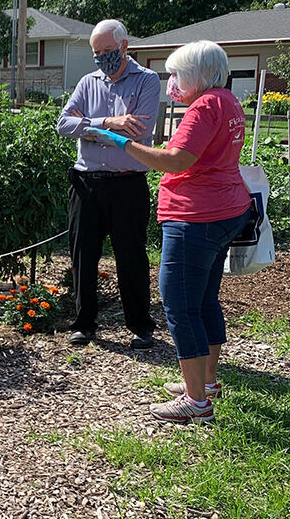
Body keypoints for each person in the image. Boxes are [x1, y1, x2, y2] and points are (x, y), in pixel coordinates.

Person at [84, 40, 252, 425]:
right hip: (225, 209)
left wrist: (126, 145)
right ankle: (206, 383)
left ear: (195, 74)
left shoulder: (204, 106)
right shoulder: (227, 101)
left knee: (180, 304)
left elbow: (177, 161)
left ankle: (196, 403)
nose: (172, 82)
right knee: (206, 299)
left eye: (176, 74)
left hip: (196, 216)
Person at [57, 19, 160, 349]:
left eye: (107, 51)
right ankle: (84, 324)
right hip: (86, 184)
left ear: (124, 46)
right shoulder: (89, 82)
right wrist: (109, 124)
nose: (101, 58)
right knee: (83, 256)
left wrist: (90, 131)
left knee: (131, 256)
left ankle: (140, 326)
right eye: (96, 53)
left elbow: (139, 132)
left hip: (127, 184)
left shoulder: (146, 81)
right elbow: (63, 124)